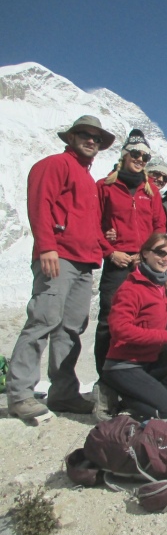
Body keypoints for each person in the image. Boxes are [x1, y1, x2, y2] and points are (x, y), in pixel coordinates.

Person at [6, 116, 115, 421]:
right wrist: (47, 246)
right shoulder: (54, 164)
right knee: (43, 320)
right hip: (59, 256)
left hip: (83, 261)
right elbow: (39, 204)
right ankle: (20, 394)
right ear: (71, 137)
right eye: (84, 134)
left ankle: (64, 393)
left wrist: (101, 238)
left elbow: (84, 219)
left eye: (96, 137)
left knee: (70, 329)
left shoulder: (87, 178)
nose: (90, 140)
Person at [94, 130, 167, 389]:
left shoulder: (151, 191)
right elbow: (94, 224)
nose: (140, 159)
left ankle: (140, 378)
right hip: (117, 262)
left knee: (147, 319)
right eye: (135, 154)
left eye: (145, 156)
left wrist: (146, 253)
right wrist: (110, 251)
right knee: (108, 321)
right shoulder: (105, 186)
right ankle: (106, 382)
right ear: (124, 155)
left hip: (143, 263)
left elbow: (159, 225)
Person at [101, 233, 167, 420]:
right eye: (161, 253)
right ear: (145, 253)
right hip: (125, 365)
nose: (166, 259)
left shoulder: (161, 285)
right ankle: (122, 402)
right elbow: (119, 329)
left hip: (150, 361)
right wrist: (164, 336)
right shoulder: (131, 288)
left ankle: (139, 395)